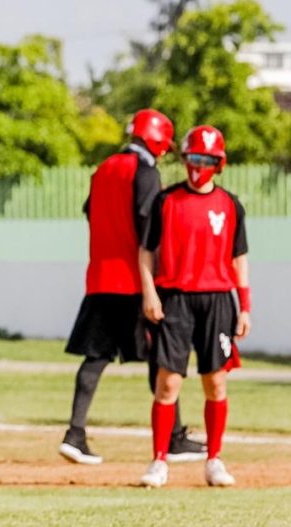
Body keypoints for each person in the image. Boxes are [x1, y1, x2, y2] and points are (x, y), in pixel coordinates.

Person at [60, 109, 207, 465]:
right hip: (135, 281)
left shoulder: (104, 169)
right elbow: (149, 227)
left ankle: (74, 434)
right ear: (158, 140)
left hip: (99, 278)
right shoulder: (145, 172)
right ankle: (173, 437)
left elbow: (90, 211)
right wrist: (156, 279)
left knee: (95, 357)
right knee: (162, 358)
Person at [138, 125, 251, 488]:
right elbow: (145, 251)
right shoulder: (166, 201)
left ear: (219, 164)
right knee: (167, 383)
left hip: (218, 300)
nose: (197, 166)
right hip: (175, 299)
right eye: (192, 158)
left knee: (215, 383)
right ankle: (159, 461)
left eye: (206, 159)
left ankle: (214, 459)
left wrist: (245, 306)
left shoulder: (230, 205)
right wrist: (150, 294)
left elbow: (239, 258)